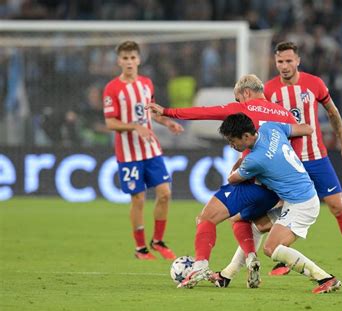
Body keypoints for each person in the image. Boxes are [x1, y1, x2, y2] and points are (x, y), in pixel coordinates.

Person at [147, 74, 303, 289]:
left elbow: (203, 113)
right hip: (278, 187)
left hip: (254, 182)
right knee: (241, 220)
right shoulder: (284, 114)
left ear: (246, 93)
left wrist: (167, 111)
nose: (238, 103)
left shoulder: (244, 109)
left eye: (238, 99)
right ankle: (250, 259)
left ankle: (200, 266)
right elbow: (296, 142)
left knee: (206, 218)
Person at [262, 41, 342, 277]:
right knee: (279, 209)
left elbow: (333, 113)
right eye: (280, 62)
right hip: (288, 163)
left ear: (298, 61)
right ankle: (283, 256)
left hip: (316, 157)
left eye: (288, 61)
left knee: (337, 206)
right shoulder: (269, 90)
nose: (284, 66)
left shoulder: (314, 83)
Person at [220, 113, 342, 294]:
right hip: (297, 197)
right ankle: (227, 275)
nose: (232, 145)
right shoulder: (271, 128)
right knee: (256, 225)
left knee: (271, 248)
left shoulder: (255, 159)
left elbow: (232, 179)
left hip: (301, 204)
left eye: (232, 140)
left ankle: (325, 278)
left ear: (246, 136)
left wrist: (239, 162)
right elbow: (306, 129)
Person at [103, 41, 183, 260]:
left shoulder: (146, 83)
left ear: (139, 59)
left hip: (151, 149)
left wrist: (168, 123)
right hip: (128, 154)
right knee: (138, 199)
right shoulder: (112, 88)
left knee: (165, 194)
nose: (129, 62)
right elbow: (110, 122)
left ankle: (158, 241)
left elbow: (152, 112)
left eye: (132, 57)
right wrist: (135, 127)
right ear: (119, 61)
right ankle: (140, 249)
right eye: (125, 58)